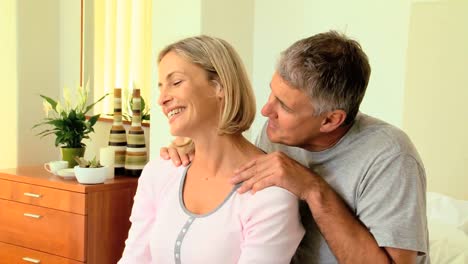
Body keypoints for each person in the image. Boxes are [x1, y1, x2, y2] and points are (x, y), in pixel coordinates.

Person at [161, 31, 430, 263]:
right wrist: (198, 149)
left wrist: (312, 188)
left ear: (330, 119)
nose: (266, 111)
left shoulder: (391, 158)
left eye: (285, 106)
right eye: (272, 93)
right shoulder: (275, 133)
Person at [119, 35, 304, 263]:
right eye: (161, 87)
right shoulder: (159, 173)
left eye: (176, 82)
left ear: (220, 86)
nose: (162, 99)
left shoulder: (269, 196)